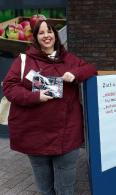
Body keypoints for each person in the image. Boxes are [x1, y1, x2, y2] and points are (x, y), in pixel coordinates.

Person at [2, 20, 97, 195]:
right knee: (45, 187)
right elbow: (9, 87)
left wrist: (75, 73)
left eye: (50, 31)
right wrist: (35, 96)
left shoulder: (69, 59)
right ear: (36, 38)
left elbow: (91, 69)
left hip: (66, 131)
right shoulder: (24, 60)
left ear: (56, 35)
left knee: (66, 187)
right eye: (41, 33)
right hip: (34, 131)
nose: (46, 36)